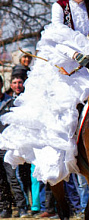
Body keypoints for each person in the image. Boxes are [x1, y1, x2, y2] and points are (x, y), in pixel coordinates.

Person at [0, 0, 89, 186]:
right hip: (67, 62)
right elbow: (55, 37)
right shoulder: (60, 5)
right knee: (63, 109)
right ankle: (66, 156)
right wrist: (76, 55)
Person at [0, 74, 29, 218]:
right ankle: (5, 208)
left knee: (13, 178)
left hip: (7, 146)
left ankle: (22, 207)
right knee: (1, 180)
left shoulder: (10, 102)